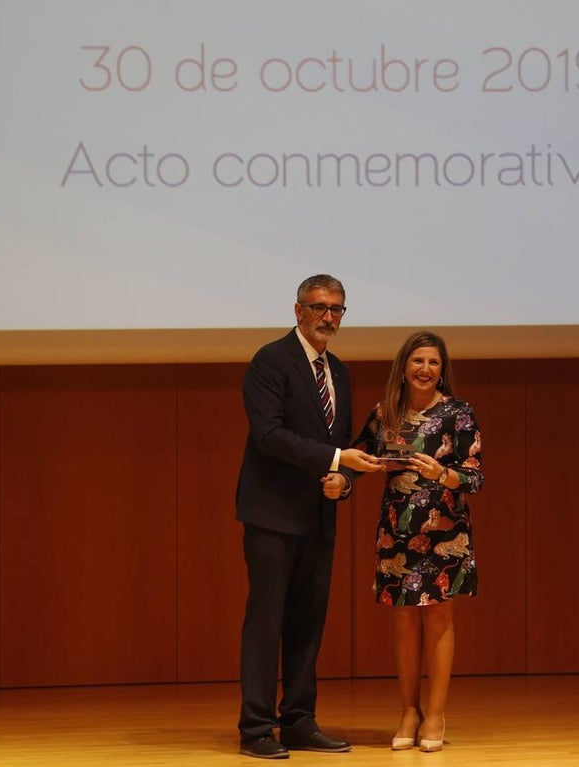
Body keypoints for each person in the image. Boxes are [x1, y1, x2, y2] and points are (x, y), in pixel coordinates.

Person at [236, 274, 382, 759]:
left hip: (319, 517)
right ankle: (257, 729)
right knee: (266, 622)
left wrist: (344, 481)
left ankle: (298, 721)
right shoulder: (270, 361)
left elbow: (340, 448)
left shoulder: (338, 370)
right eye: (319, 307)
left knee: (307, 624)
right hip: (272, 515)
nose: (328, 317)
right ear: (298, 310)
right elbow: (269, 436)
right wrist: (336, 461)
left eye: (337, 309)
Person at [352, 331, 484, 752]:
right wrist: (351, 472)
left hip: (445, 529)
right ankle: (409, 710)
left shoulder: (458, 413)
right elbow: (357, 455)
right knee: (405, 620)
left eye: (433, 362)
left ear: (442, 370)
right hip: (397, 531)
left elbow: (475, 476)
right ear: (403, 368)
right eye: (418, 361)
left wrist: (441, 474)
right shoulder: (384, 412)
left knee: (439, 618)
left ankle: (437, 712)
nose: (425, 369)